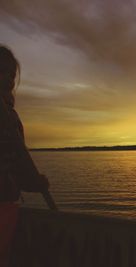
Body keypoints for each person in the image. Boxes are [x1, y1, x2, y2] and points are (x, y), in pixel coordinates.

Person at [0, 45, 49, 266]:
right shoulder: (5, 114)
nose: (10, 78)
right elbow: (17, 156)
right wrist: (35, 182)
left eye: (12, 73)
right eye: (4, 71)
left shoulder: (7, 111)